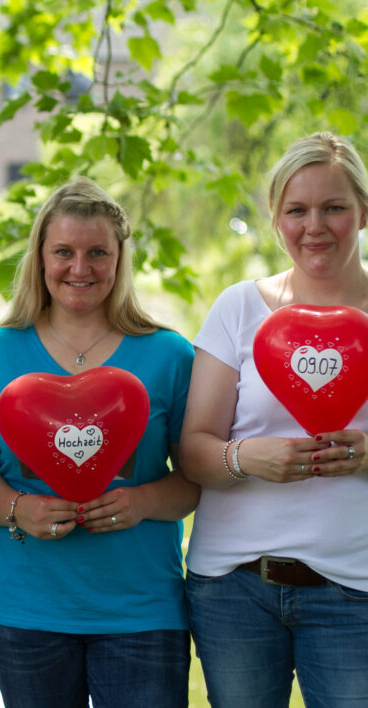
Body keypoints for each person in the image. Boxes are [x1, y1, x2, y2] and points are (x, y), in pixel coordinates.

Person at [0, 178, 199, 708]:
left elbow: (193, 479)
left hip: (142, 610)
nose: (80, 268)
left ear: (120, 259)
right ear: (40, 258)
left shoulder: (169, 354)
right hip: (24, 610)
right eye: (63, 252)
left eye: (98, 253)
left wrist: (140, 502)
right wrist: (19, 508)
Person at [180, 131, 368, 706]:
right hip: (235, 590)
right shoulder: (238, 307)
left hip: (356, 592)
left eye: (334, 207)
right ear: (275, 218)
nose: (316, 226)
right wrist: (243, 457)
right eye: (297, 210)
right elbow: (192, 452)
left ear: (363, 211)